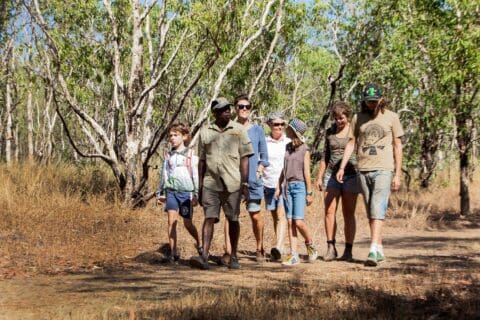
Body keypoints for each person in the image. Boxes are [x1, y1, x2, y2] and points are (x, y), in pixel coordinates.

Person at [336, 83, 404, 267]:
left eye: (375, 101)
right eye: (368, 102)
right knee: (370, 212)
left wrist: (397, 174)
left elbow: (398, 146)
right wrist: (342, 166)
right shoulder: (358, 118)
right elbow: (351, 143)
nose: (372, 104)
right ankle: (379, 248)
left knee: (377, 208)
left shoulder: (392, 117)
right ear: (364, 101)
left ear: (381, 99)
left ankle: (373, 249)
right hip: (363, 169)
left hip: (384, 169)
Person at [190, 97, 254, 270]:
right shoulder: (205, 132)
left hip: (233, 183)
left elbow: (245, 158)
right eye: (222, 109)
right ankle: (204, 256)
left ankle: (233, 256)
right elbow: (202, 160)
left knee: (232, 219)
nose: (227, 111)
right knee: (209, 217)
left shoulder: (239, 130)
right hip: (211, 183)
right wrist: (200, 187)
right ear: (215, 113)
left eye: (228, 108)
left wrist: (245, 184)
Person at [316, 101, 360, 262]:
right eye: (336, 118)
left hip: (351, 175)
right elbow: (324, 157)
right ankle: (330, 247)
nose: (338, 121)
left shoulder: (354, 132)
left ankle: (348, 250)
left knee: (348, 213)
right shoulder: (330, 132)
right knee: (329, 211)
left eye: (341, 118)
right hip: (332, 175)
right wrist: (319, 177)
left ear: (347, 116)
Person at [156, 122, 202, 263]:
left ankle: (200, 243)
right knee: (171, 222)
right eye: (170, 135)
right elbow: (164, 174)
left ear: (184, 136)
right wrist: (160, 193)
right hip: (171, 192)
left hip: (186, 193)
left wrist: (196, 195)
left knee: (187, 223)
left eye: (176, 135)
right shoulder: (168, 156)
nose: (172, 138)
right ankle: (173, 253)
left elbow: (195, 175)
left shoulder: (191, 155)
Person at [275, 118, 318, 266]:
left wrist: (309, 192)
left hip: (299, 187)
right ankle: (294, 255)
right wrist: (278, 186)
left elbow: (306, 172)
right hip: (287, 187)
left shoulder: (304, 149)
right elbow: (284, 168)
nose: (286, 130)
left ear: (294, 131)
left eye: (288, 128)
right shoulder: (287, 147)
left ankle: (310, 244)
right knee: (290, 221)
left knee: (298, 221)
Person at [263, 112, 290, 261]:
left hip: (284, 184)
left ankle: (278, 246)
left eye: (282, 124)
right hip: (268, 183)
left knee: (281, 214)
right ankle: (281, 247)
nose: (279, 127)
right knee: (275, 216)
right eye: (276, 124)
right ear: (269, 125)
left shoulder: (289, 142)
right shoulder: (265, 142)